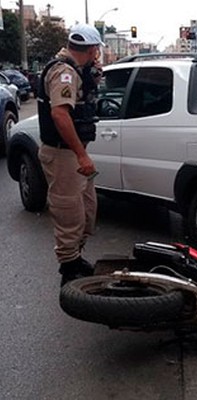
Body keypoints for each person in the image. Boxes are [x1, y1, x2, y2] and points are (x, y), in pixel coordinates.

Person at [37, 23, 104, 286]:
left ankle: (75, 256)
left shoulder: (77, 70)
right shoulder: (63, 72)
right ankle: (69, 268)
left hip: (75, 154)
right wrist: (81, 155)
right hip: (64, 154)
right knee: (69, 212)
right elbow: (60, 114)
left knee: (87, 209)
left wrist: (92, 76)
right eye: (96, 49)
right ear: (91, 48)